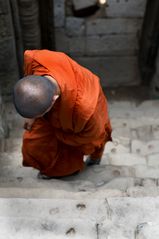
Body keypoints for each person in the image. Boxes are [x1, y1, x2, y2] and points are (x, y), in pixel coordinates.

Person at [13, 50, 112, 179]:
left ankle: (95, 158)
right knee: (33, 146)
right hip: (58, 113)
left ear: (53, 100)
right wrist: (31, 116)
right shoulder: (35, 59)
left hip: (83, 115)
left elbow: (90, 135)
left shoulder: (85, 109)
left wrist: (58, 134)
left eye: (41, 114)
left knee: (91, 144)